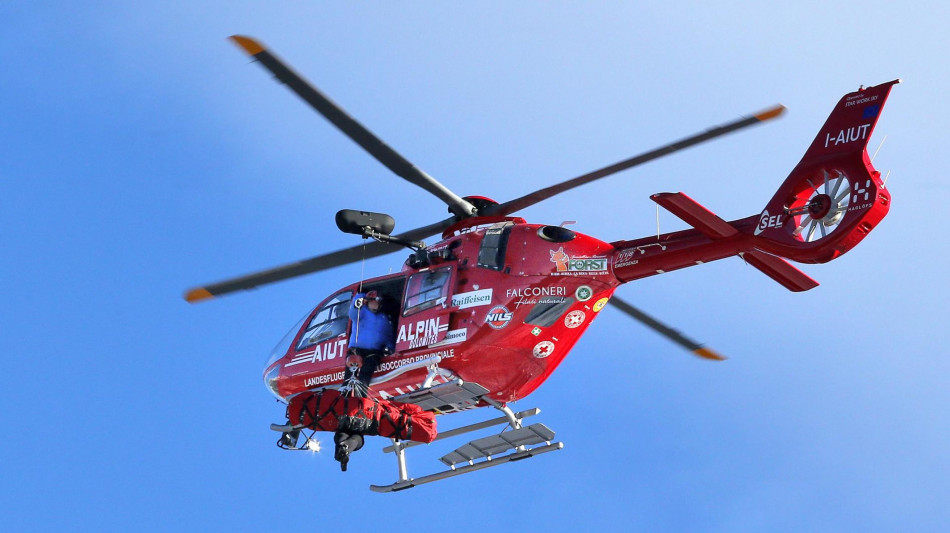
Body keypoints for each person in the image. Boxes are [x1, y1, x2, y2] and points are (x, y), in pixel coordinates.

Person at [334, 289, 396, 470]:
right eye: (371, 303)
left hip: (373, 355)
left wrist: (390, 349)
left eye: (376, 302)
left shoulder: (385, 320)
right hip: (355, 353)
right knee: (349, 385)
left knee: (363, 382)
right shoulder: (362, 314)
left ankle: (355, 413)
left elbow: (389, 338)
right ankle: (351, 415)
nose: (373, 305)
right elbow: (353, 312)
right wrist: (358, 299)